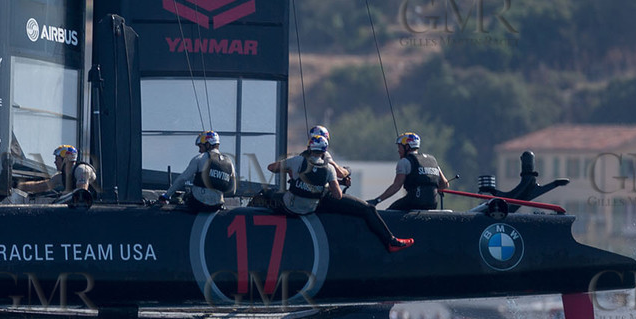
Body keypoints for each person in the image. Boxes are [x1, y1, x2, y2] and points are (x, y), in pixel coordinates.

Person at [268, 134, 413, 253]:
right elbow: (337, 195)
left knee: (268, 193)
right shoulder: (329, 168)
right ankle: (391, 241)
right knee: (367, 208)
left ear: (309, 148)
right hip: (313, 207)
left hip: (290, 207)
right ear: (325, 151)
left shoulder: (297, 160)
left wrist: (290, 170)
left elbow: (271, 168)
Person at [161, 130, 237, 212]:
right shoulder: (229, 162)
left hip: (198, 204)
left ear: (208, 145)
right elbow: (232, 190)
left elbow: (182, 179)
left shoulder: (200, 158)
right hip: (217, 205)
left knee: (181, 198)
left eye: (200, 147)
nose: (199, 150)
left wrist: (166, 195)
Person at [371, 132, 449, 211]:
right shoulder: (432, 160)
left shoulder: (404, 162)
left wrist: (377, 200)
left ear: (407, 147)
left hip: (414, 202)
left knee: (390, 211)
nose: (398, 150)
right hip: (432, 204)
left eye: (399, 147)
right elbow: (445, 184)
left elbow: (396, 186)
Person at [17, 144, 96, 200]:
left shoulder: (82, 170)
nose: (55, 162)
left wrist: (65, 194)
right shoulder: (61, 176)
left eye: (57, 159)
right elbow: (40, 186)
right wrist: (17, 185)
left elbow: (81, 192)